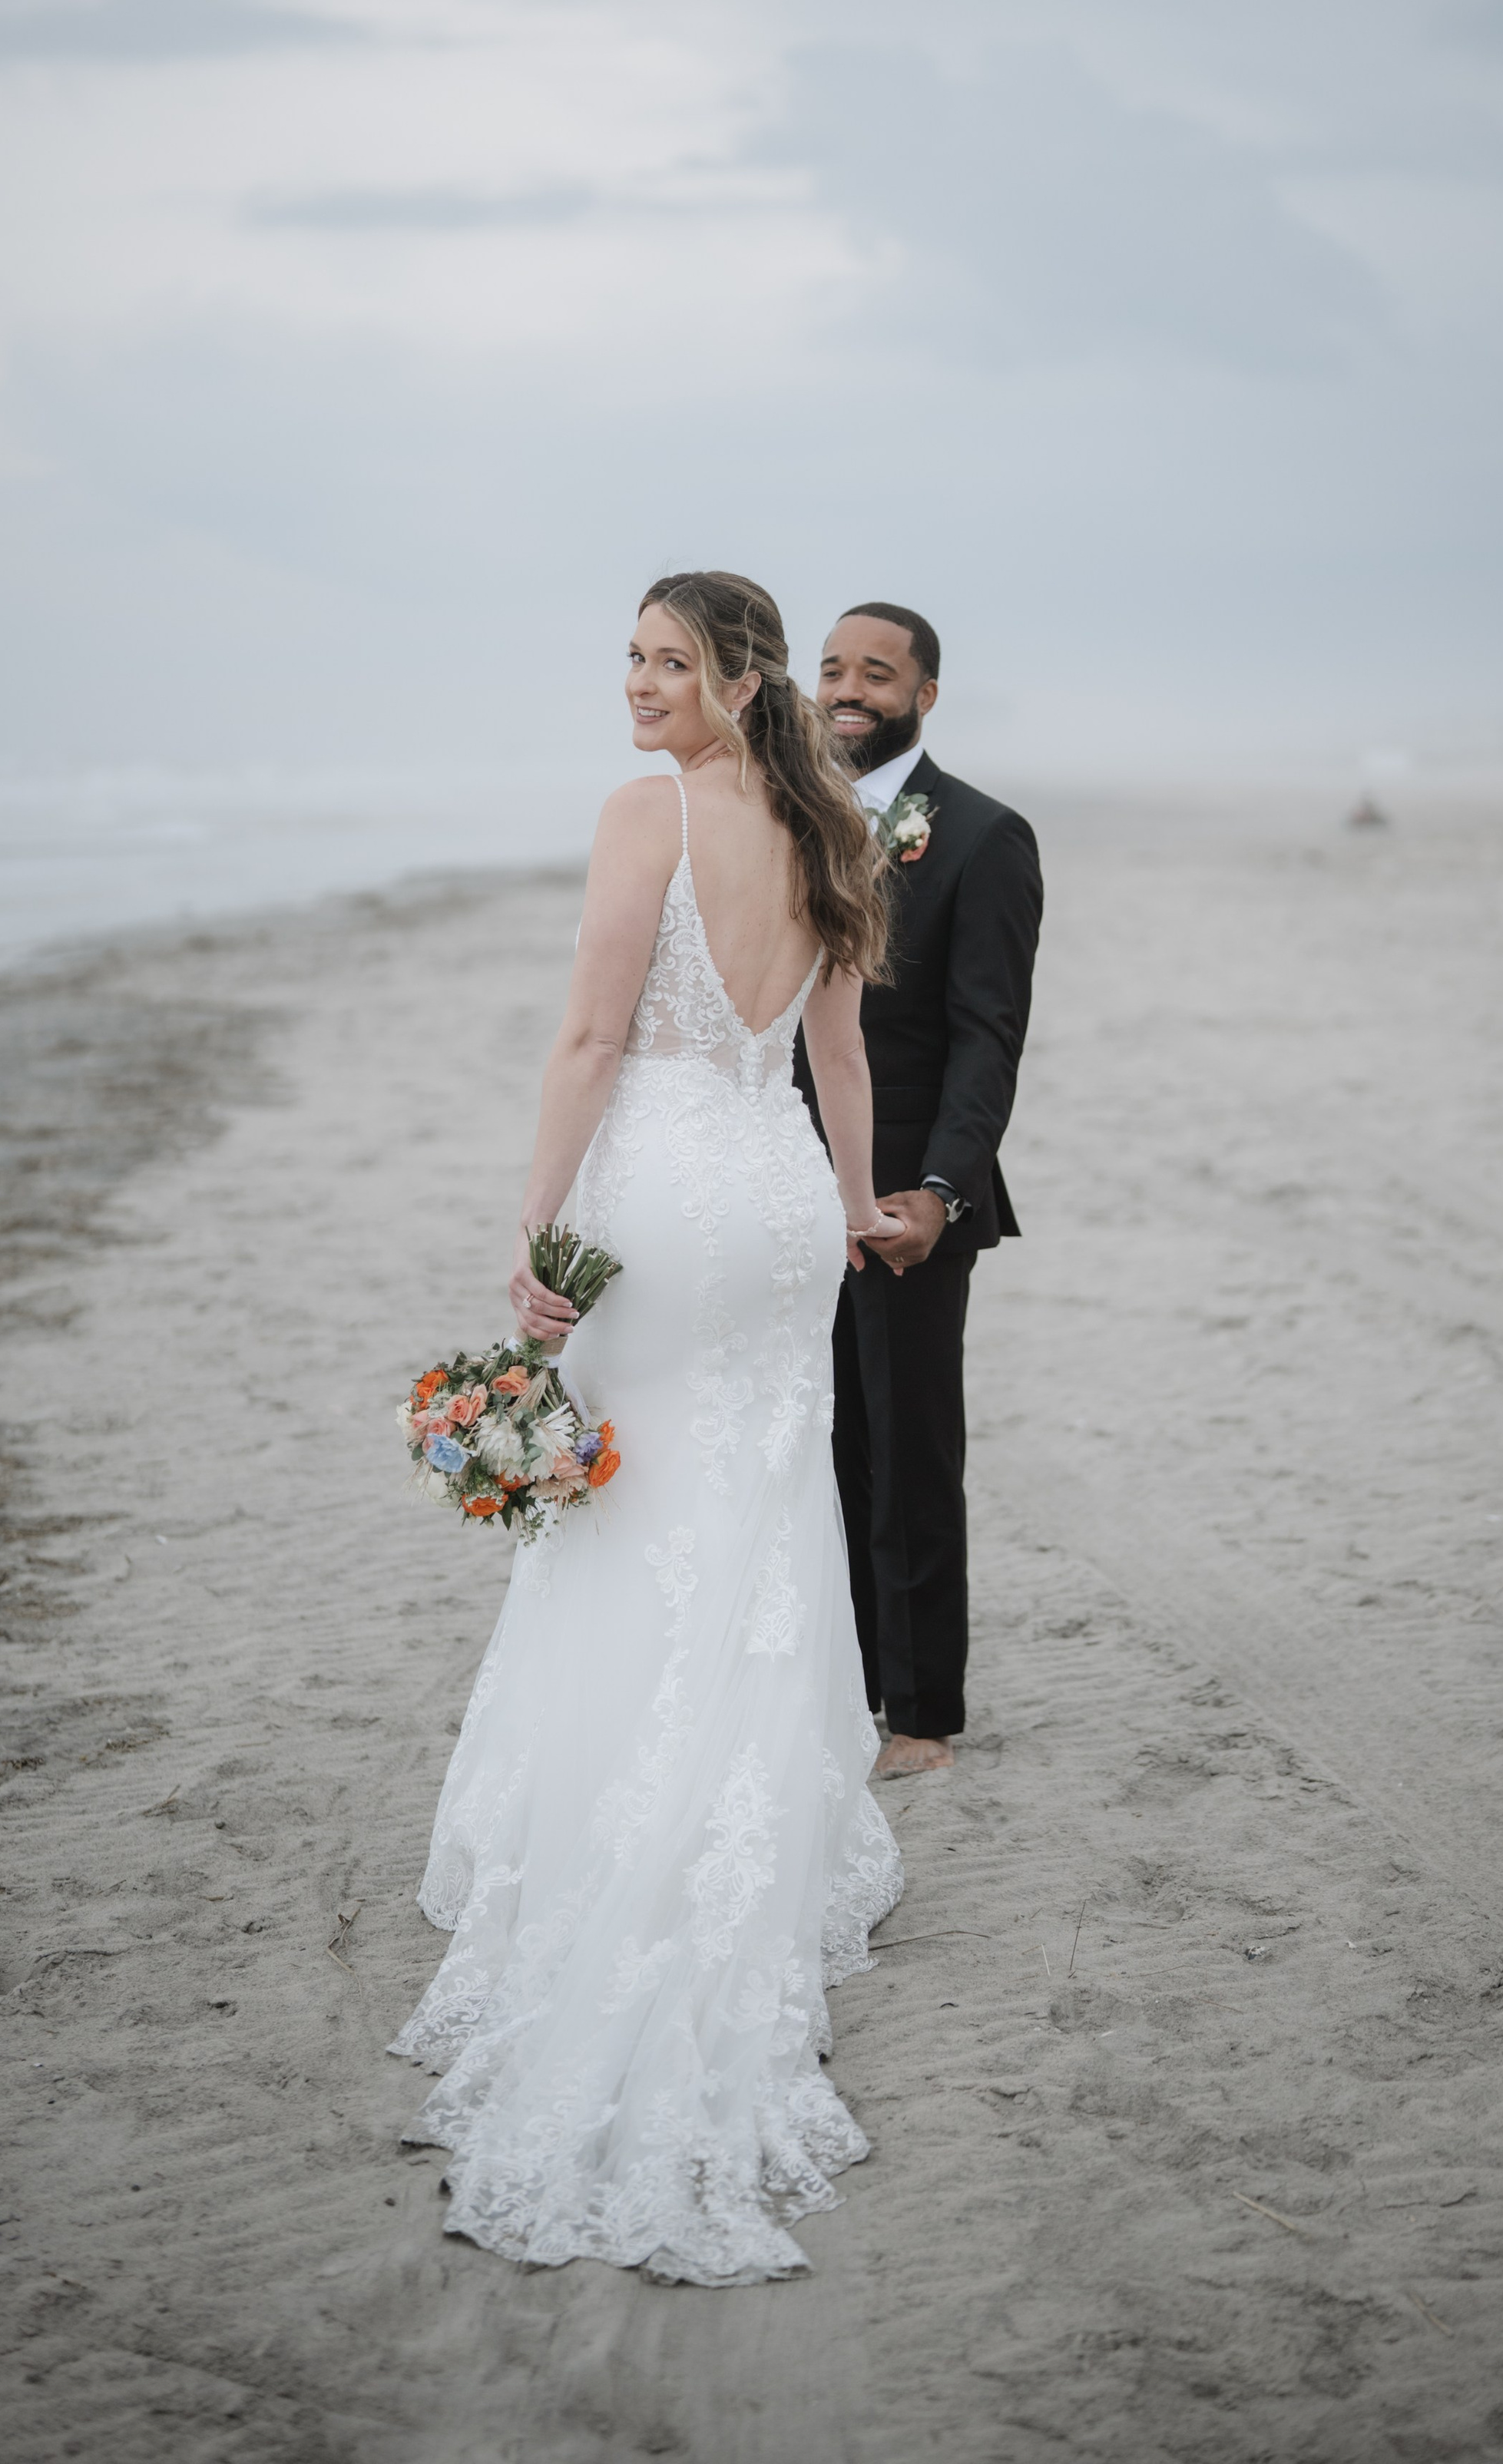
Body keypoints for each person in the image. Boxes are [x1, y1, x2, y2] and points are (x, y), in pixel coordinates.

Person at [389, 572, 904, 2287]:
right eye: (626, 659)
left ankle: (631, 1819)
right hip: (771, 1209)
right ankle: (768, 1807)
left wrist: (537, 1238)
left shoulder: (651, 816)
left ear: (741, 676)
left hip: (671, 1199)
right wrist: (843, 1215)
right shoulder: (828, 830)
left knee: (631, 1505)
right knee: (756, 1504)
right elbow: (838, 1054)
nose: (634, 687)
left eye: (666, 662)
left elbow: (597, 1034)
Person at [799, 603, 1043, 1778]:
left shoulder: (983, 837)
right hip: (774, 1186)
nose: (849, 690)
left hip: (906, 1197)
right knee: (808, 1447)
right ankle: (831, 1685)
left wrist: (941, 1190)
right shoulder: (778, 819)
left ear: (925, 694)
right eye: (833, 669)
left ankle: (922, 1714)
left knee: (906, 1445)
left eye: (877, 674)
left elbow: (986, 1038)